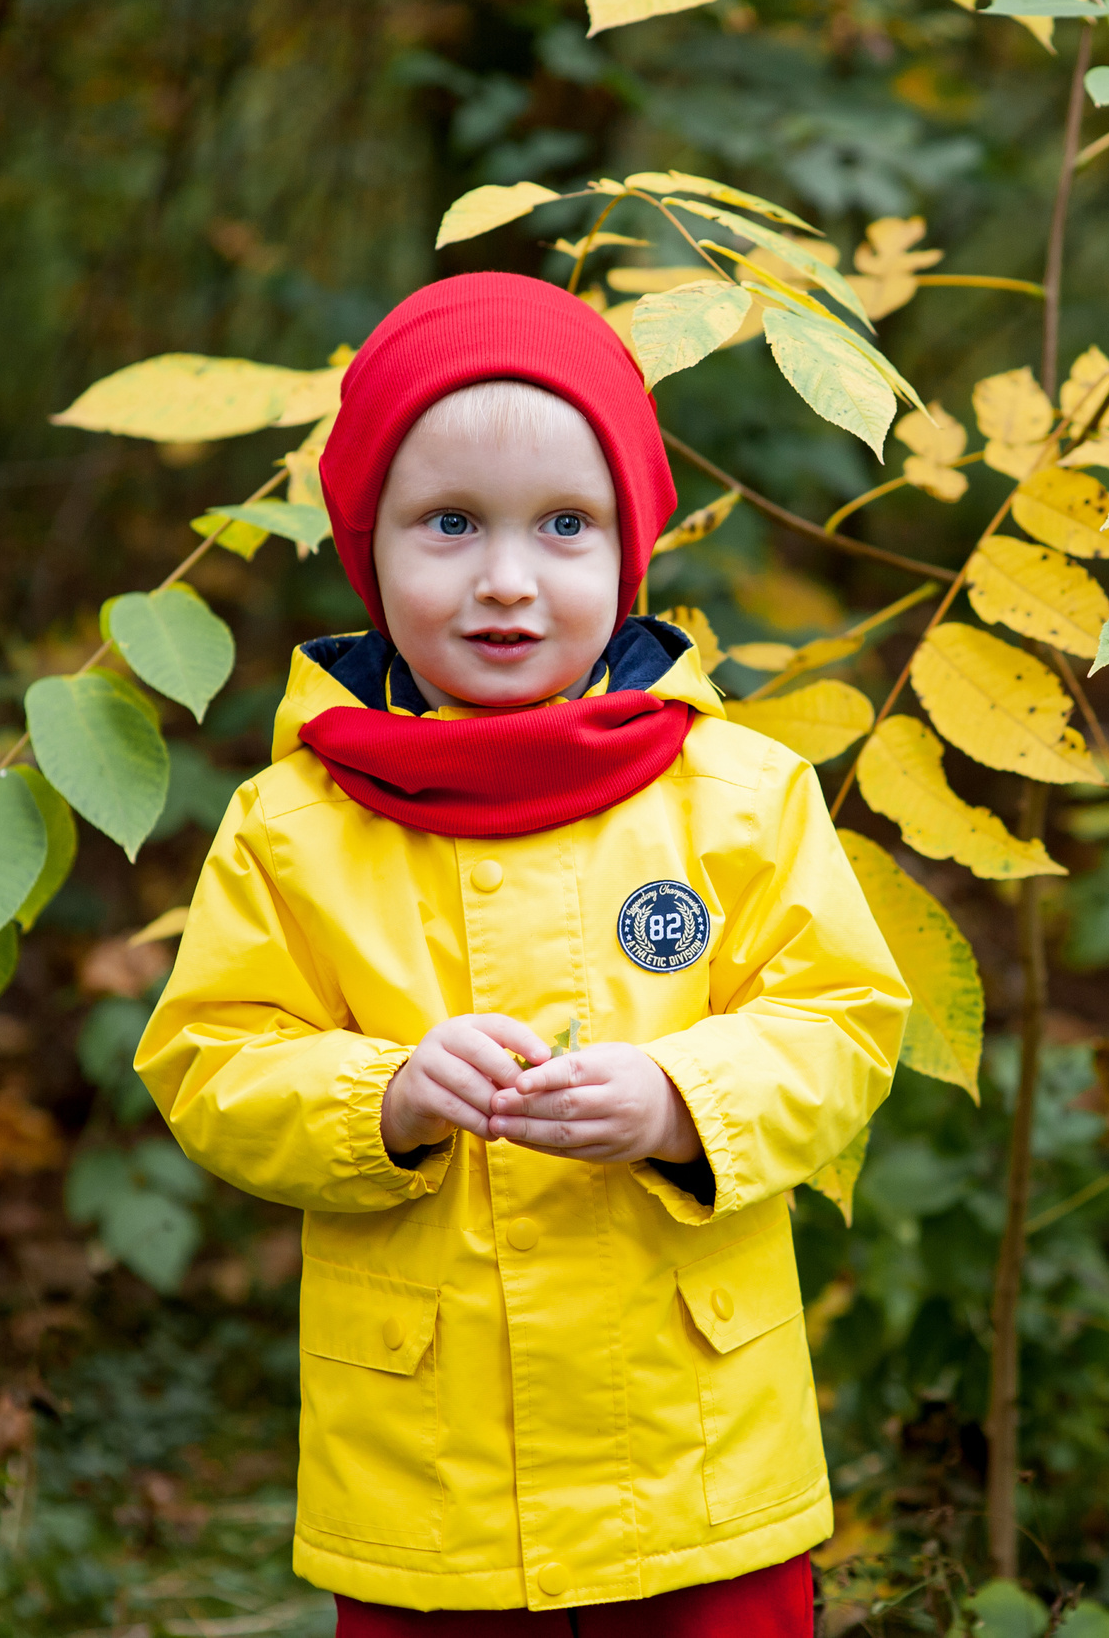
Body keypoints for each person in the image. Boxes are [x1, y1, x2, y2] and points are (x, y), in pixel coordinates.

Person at [136, 271, 910, 1637]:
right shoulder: (291, 827)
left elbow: (840, 1020)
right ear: (370, 550)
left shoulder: (737, 794)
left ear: (635, 547)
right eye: (449, 525)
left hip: (697, 1462)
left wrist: (684, 1102)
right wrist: (383, 1097)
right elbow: (212, 1060)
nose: (506, 579)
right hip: (431, 1483)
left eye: (566, 524)